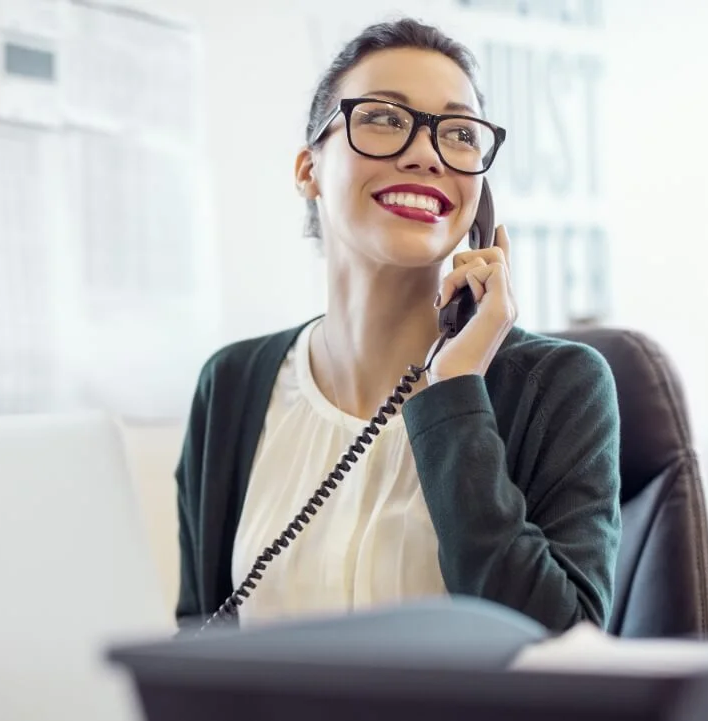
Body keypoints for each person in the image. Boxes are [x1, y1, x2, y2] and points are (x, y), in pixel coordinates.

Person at [174, 18, 621, 633]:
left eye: (460, 133)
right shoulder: (232, 384)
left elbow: (562, 650)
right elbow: (198, 644)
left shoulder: (559, 386)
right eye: (383, 118)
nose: (425, 153)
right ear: (308, 169)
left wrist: (456, 393)